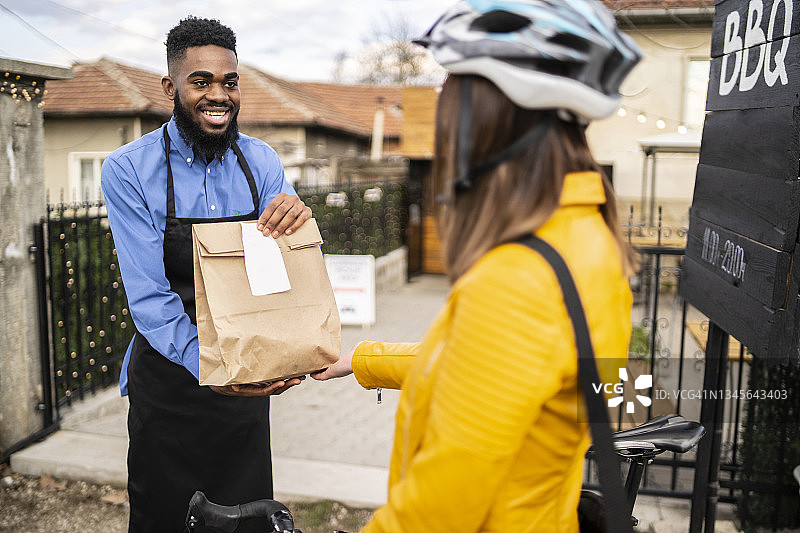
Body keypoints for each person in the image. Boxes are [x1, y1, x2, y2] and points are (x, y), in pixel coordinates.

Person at [312, 1, 642, 531]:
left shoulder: (519, 280)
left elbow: (435, 513)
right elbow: (490, 370)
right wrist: (363, 359)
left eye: (452, 99)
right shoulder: (585, 239)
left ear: (486, 118)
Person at [100, 16, 311, 532]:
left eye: (229, 82)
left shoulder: (261, 162)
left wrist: (297, 223)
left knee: (248, 518)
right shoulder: (128, 170)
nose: (219, 94)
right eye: (202, 82)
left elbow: (276, 275)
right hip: (171, 381)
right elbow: (150, 297)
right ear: (171, 87)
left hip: (244, 379)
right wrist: (214, 367)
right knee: (164, 519)